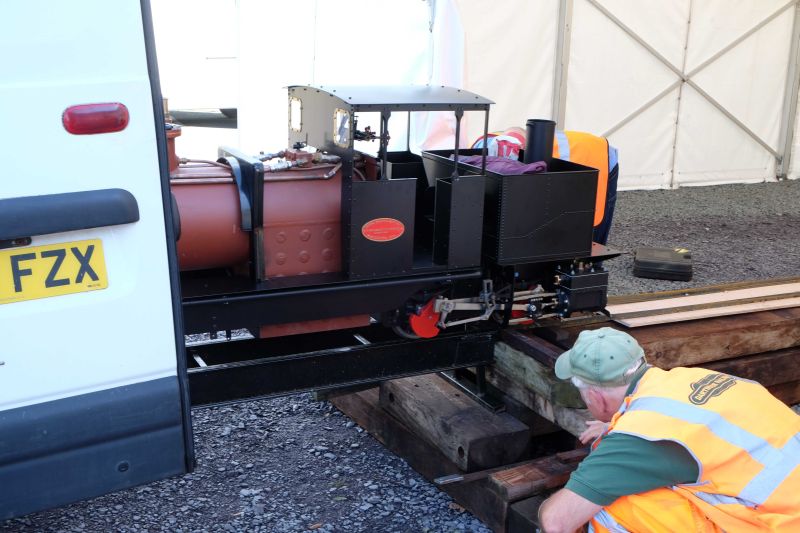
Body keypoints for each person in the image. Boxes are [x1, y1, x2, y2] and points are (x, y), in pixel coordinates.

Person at [537, 327, 800, 533]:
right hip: (786, 502)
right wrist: (613, 425)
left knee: (614, 507)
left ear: (597, 396)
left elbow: (556, 523)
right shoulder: (688, 379)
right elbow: (690, 425)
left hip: (782, 524)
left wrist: (544, 509)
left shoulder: (640, 438)